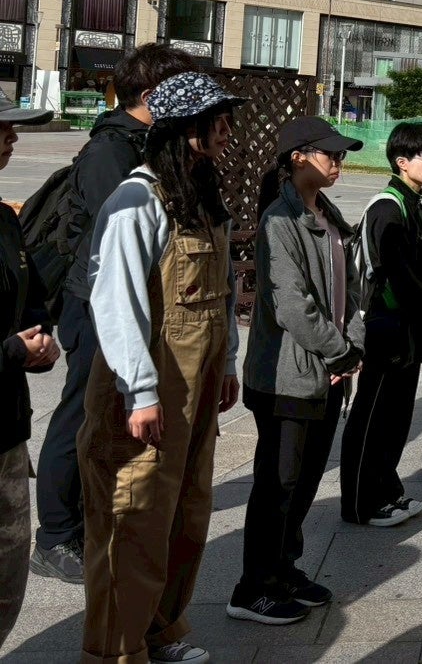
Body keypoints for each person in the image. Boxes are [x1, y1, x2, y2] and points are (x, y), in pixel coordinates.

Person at [79, 72, 246, 664]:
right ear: (181, 129)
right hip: (145, 394)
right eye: (214, 121)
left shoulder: (200, 195)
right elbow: (116, 301)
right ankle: (115, 653)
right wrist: (141, 392)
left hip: (196, 388)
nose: (225, 132)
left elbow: (223, 292)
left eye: (226, 120)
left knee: (185, 514)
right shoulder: (137, 200)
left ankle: (159, 630)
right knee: (134, 518)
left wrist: (228, 362)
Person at [32, 43, 194, 585]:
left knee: (101, 416)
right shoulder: (111, 152)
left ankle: (89, 519)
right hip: (93, 304)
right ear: (149, 95)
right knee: (80, 416)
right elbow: (116, 244)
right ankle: (55, 535)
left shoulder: (144, 143)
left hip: (123, 302)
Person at [230, 118, 365, 625]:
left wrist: (353, 346)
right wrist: (339, 351)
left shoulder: (328, 215)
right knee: (278, 483)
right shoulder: (279, 220)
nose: (338, 162)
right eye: (330, 153)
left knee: (305, 480)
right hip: (287, 374)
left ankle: (284, 569)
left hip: (329, 369)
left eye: (341, 154)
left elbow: (354, 290)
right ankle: (253, 588)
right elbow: (290, 304)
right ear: (298, 158)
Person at [340, 122, 422, 523]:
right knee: (373, 417)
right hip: (387, 327)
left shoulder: (411, 201)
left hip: (405, 329)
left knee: (396, 417)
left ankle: (387, 490)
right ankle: (361, 504)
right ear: (402, 162)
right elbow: (399, 277)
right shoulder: (389, 207)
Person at [0, 96, 59, 651]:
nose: (12, 139)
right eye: (2, 130)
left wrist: (40, 340)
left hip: (8, 427)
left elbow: (32, 298)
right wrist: (11, 352)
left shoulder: (4, 219)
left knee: (8, 571)